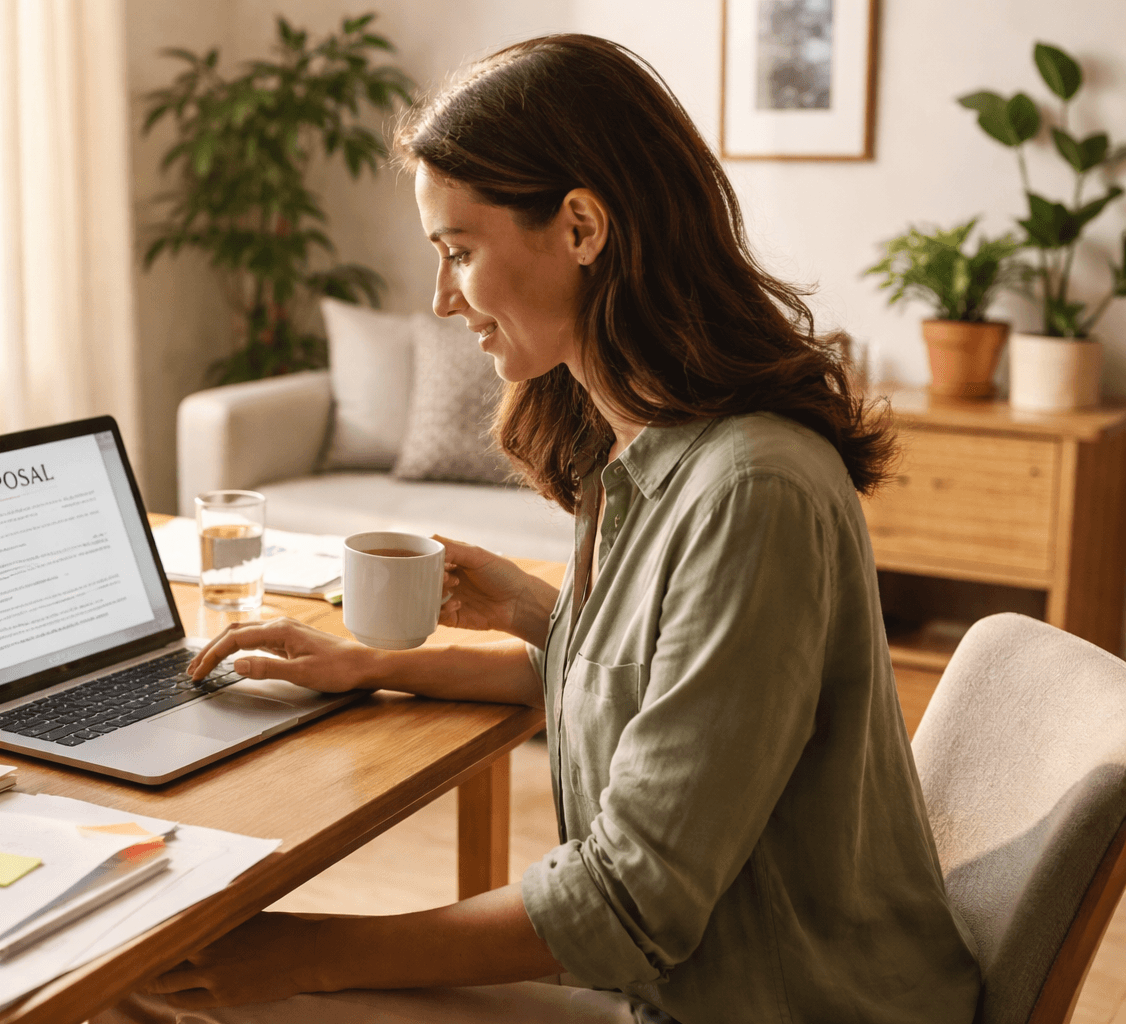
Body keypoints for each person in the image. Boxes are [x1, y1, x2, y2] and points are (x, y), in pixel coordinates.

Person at [106, 33, 981, 1024]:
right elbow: (662, 701)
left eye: (459, 252)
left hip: (770, 1005)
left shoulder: (750, 490)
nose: (444, 300)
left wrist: (309, 949)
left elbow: (627, 902)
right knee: (163, 973)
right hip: (691, 985)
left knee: (154, 988)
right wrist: (381, 660)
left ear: (581, 226)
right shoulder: (643, 453)